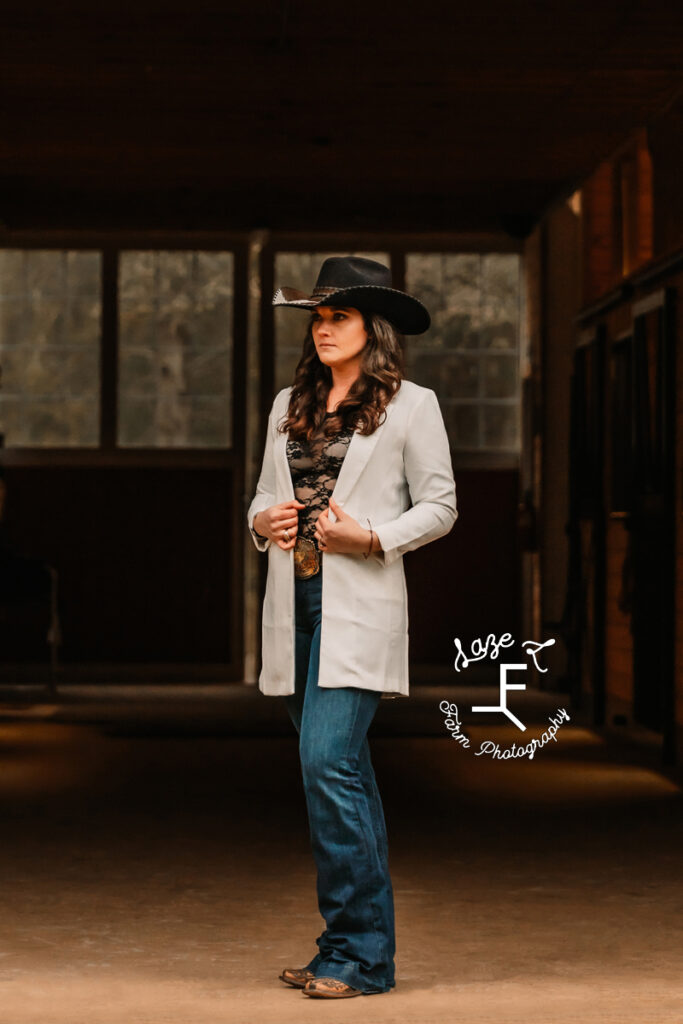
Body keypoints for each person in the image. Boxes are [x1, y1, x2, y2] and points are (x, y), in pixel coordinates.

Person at [247, 255, 458, 999]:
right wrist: (262, 520)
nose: (322, 328)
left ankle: (362, 959)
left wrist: (369, 538)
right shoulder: (286, 403)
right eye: (317, 317)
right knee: (338, 777)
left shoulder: (411, 405)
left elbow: (440, 507)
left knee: (326, 766)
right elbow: (266, 498)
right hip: (294, 605)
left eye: (337, 316)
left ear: (374, 327)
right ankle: (345, 945)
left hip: (358, 607)